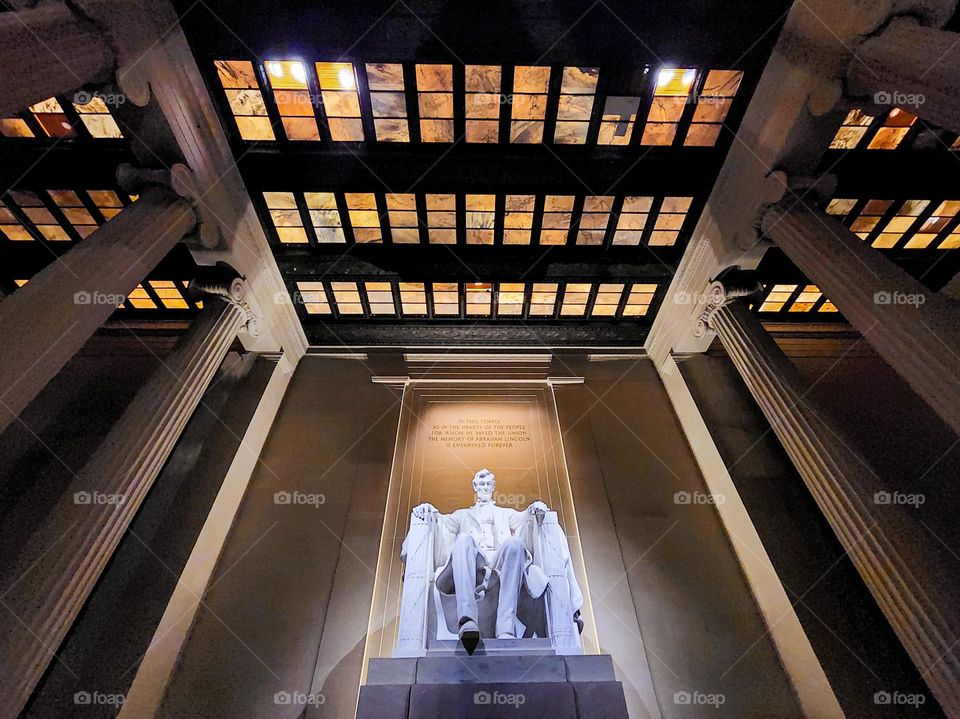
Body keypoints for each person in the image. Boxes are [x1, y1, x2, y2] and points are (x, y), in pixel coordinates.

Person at [411, 468, 550, 651]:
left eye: (488, 484)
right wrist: (428, 509)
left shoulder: (505, 513)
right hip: (474, 563)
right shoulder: (462, 515)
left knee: (515, 543)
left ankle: (506, 628)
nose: (484, 487)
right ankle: (468, 622)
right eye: (481, 484)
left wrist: (534, 508)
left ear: (493, 487)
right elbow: (440, 523)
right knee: (463, 540)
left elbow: (525, 518)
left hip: (499, 562)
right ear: (474, 487)